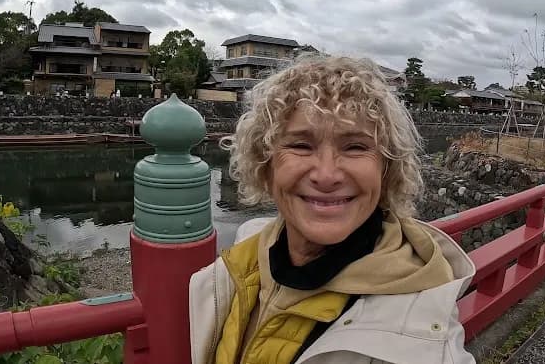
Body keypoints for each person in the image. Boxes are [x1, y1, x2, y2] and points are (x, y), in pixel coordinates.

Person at [189, 56, 476, 364]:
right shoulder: (235, 269)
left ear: (386, 169)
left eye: (355, 147)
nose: (326, 176)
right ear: (265, 165)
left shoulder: (427, 340)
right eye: (300, 145)